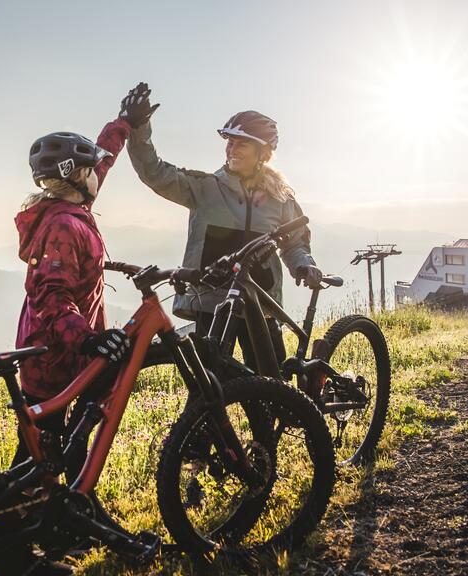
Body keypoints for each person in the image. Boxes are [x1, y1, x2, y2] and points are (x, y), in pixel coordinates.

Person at [11, 83, 155, 576]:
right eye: (91, 167)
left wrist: (123, 125)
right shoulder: (65, 226)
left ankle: (70, 511)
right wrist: (89, 339)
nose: (101, 171)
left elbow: (102, 164)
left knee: (73, 433)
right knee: (37, 458)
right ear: (75, 177)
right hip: (54, 356)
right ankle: (20, 550)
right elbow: (50, 297)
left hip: (68, 350)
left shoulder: (72, 208)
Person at [125, 92, 322, 375]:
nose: (232, 149)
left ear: (262, 154)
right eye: (230, 143)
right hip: (211, 302)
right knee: (210, 384)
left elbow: (294, 244)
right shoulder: (205, 187)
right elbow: (154, 172)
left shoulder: (280, 198)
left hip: (259, 301)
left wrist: (304, 264)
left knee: (273, 383)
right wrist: (138, 128)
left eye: (242, 144)